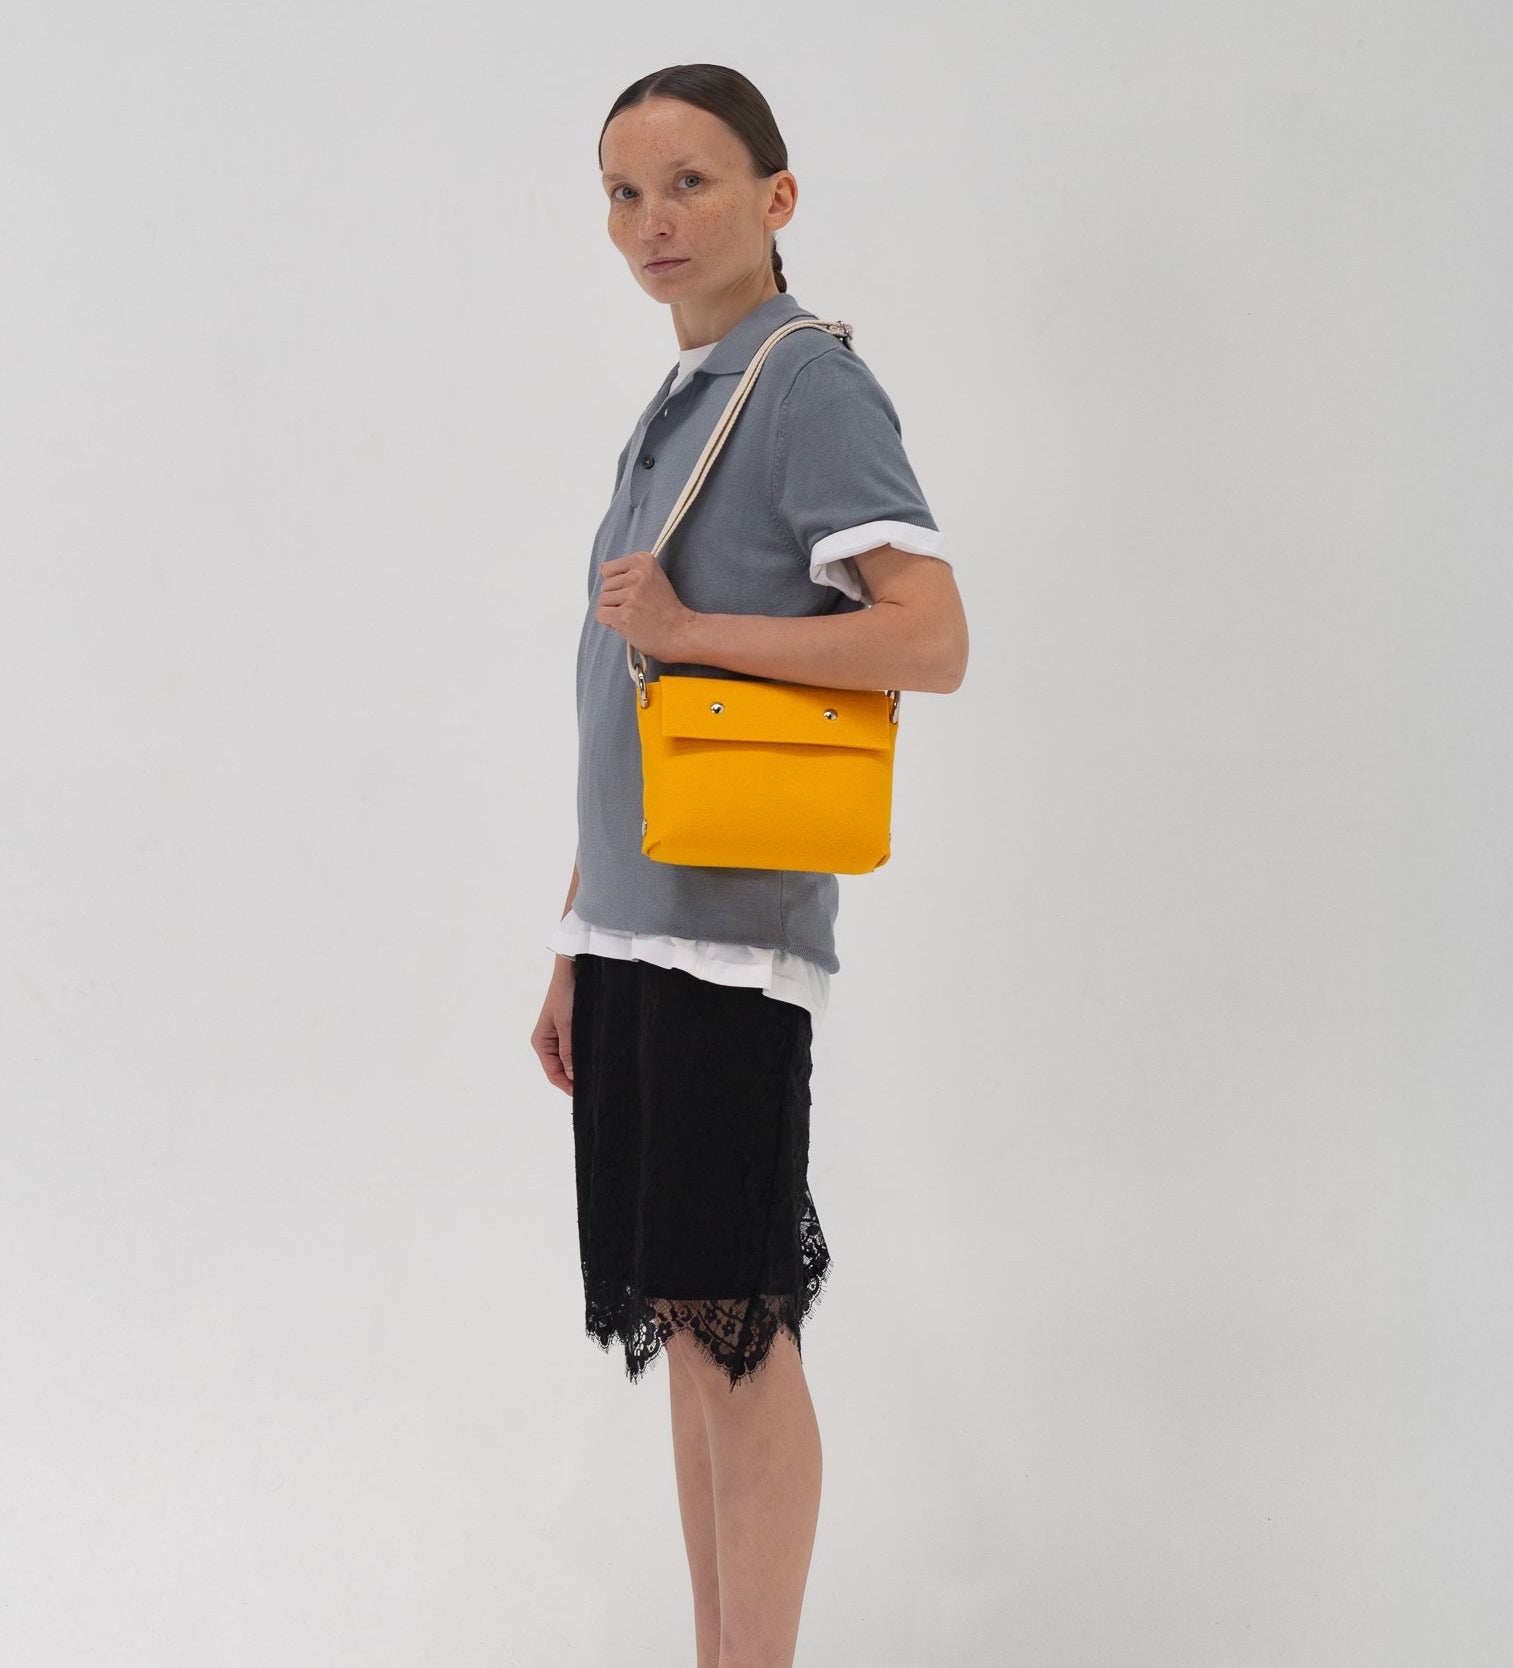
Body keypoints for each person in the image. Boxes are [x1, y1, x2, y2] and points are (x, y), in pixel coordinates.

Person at [530, 63, 968, 1668]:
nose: (654, 223)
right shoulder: (692, 391)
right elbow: (623, 713)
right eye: (626, 194)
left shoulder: (802, 384)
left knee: (738, 1327)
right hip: (645, 929)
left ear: (777, 201)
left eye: (693, 183)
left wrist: (694, 628)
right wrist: (575, 936)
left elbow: (931, 638)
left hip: (728, 941)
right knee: (688, 1330)